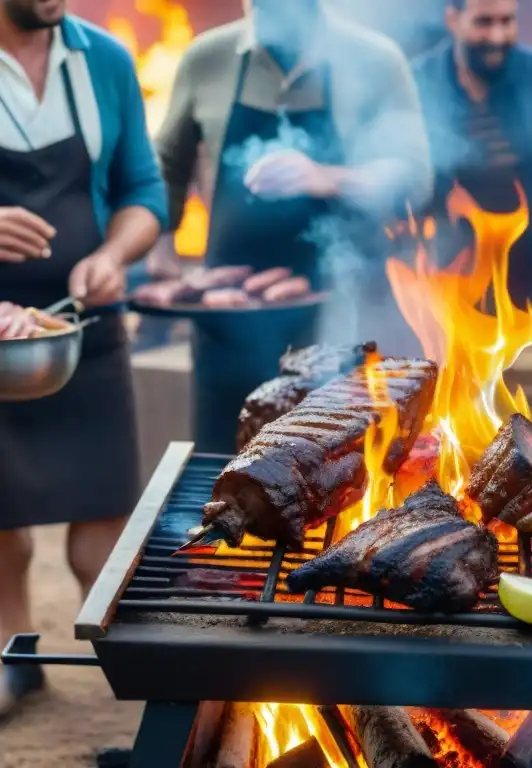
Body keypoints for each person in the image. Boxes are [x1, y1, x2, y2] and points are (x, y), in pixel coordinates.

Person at [155, 0, 432, 453]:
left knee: (329, 465)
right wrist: (163, 256)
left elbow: (413, 177)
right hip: (229, 320)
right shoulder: (208, 57)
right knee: (222, 463)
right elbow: (167, 165)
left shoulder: (374, 60)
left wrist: (325, 177)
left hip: (339, 313)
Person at [0, 0, 167, 717]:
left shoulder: (106, 59)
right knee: (3, 538)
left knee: (102, 535)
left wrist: (112, 253)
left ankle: (135, 681)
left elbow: (144, 193)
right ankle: (12, 659)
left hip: (86, 330)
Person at [411, 0, 532, 322]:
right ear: (452, 19)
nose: (497, 36)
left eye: (507, 21)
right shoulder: (418, 83)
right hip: (454, 279)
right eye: (483, 22)